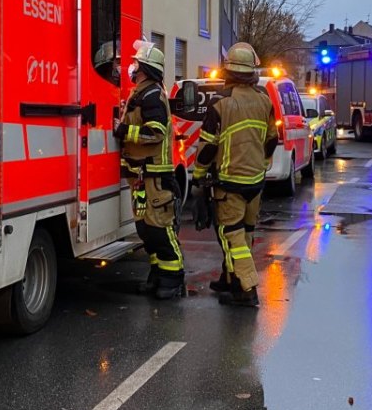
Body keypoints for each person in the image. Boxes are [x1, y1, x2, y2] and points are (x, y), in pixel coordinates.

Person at [192, 42, 279, 307]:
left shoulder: (221, 103)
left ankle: (246, 288)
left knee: (232, 235)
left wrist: (198, 174)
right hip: (255, 181)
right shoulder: (265, 100)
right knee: (246, 232)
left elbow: (207, 147)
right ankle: (229, 278)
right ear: (252, 71)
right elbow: (272, 139)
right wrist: (262, 163)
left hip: (229, 183)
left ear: (228, 71)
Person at [115, 42, 184, 300]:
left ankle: (173, 277)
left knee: (161, 229)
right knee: (146, 230)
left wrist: (124, 131)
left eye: (135, 64)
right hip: (141, 177)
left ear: (144, 68)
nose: (131, 68)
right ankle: (157, 274)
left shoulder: (152, 95)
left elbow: (156, 133)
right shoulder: (141, 93)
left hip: (156, 177)